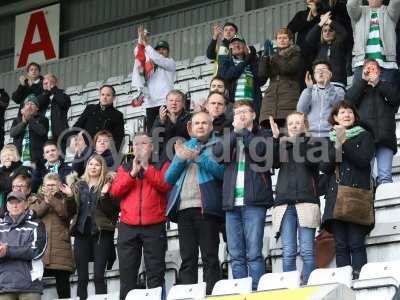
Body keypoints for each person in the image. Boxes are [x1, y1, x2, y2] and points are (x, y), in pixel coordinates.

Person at [213, 101, 274, 290]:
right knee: (235, 254)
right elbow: (217, 154)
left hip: (254, 201)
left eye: (244, 112)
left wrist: (245, 133)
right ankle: (240, 290)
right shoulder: (229, 135)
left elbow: (261, 153)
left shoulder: (263, 134)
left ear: (253, 115)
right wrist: (234, 134)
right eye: (237, 112)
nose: (240, 115)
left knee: (254, 252)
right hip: (232, 203)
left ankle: (257, 290)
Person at [165, 111, 224, 294]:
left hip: (206, 208)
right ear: (190, 128)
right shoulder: (184, 146)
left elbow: (222, 173)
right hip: (183, 210)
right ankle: (187, 295)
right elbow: (168, 178)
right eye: (197, 123)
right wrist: (181, 160)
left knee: (210, 257)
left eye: (204, 123)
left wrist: (198, 158)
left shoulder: (218, 145)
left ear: (211, 126)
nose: (200, 126)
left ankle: (211, 294)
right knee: (187, 258)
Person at [110, 133, 171, 300]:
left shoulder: (161, 165)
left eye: (144, 144)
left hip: (154, 225)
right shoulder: (124, 167)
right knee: (127, 275)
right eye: (136, 144)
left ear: (151, 147)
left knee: (155, 273)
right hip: (128, 227)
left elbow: (165, 185)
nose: (139, 147)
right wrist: (132, 174)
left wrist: (147, 169)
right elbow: (115, 192)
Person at [320, 101, 375, 279]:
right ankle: (344, 283)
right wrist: (337, 143)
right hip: (336, 197)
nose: (346, 115)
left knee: (356, 243)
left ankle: (361, 281)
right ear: (335, 118)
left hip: (356, 196)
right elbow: (326, 167)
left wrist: (344, 141)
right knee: (341, 245)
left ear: (354, 116)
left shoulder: (365, 135)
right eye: (342, 112)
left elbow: (363, 161)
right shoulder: (328, 139)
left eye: (349, 111)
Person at [270, 113, 320, 284]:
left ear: (304, 125)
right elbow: (271, 162)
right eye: (291, 123)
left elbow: (312, 162)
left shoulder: (312, 143)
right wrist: (276, 139)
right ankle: (289, 289)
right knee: (288, 251)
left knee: (307, 251)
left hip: (306, 202)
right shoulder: (282, 145)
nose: (294, 125)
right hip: (284, 204)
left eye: (298, 123)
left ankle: (309, 286)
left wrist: (300, 140)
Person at [61, 154, 119, 300]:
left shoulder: (108, 183)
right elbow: (71, 212)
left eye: (97, 165)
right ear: (87, 166)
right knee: (82, 278)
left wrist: (105, 194)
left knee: (99, 276)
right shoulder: (78, 185)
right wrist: (68, 197)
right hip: (82, 233)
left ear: (102, 167)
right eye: (91, 164)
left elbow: (112, 212)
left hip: (101, 233)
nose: (93, 167)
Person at [346, 59, 400, 185]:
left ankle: (386, 204)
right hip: (365, 139)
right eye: (367, 68)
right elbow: (348, 103)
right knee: (365, 177)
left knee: (385, 176)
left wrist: (378, 83)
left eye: (373, 68)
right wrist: (363, 82)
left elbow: (395, 99)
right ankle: (368, 204)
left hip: (385, 138)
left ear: (379, 71)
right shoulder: (359, 88)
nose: (370, 71)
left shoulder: (387, 86)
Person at [28, 173, 74, 299]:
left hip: (61, 252)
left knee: (63, 290)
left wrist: (51, 200)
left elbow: (66, 214)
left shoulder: (67, 199)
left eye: (53, 185)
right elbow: (33, 214)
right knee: (35, 290)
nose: (50, 188)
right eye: (47, 185)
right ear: (43, 186)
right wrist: (46, 202)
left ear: (59, 186)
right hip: (41, 252)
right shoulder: (35, 199)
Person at [0, 191, 47, 300]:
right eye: (11, 203)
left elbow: (37, 251)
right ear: (7, 206)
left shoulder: (37, 224)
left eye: (18, 202)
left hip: (30, 286)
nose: (15, 205)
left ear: (26, 204)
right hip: (4, 286)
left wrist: (8, 251)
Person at [132, 25, 176, 132]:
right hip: (150, 104)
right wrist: (141, 40)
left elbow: (157, 58)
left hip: (164, 103)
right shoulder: (149, 66)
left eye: (164, 49)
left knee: (166, 131)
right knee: (152, 134)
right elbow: (139, 55)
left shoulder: (170, 63)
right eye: (159, 49)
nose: (161, 51)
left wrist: (145, 43)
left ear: (168, 52)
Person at [347, 0, 400, 84]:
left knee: (387, 96)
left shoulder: (389, 12)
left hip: (386, 64)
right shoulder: (359, 12)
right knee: (359, 95)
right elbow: (350, 4)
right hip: (362, 64)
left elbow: (396, 2)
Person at [258, 28, 302, 128]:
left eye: (285, 38)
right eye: (279, 38)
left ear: (291, 40)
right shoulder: (272, 54)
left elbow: (289, 68)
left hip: (289, 94)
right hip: (271, 96)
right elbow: (262, 74)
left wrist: (274, 56)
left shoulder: (296, 53)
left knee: (288, 128)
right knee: (268, 128)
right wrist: (265, 57)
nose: (282, 40)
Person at [218, 34, 263, 116]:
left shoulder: (253, 62)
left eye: (239, 43)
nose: (236, 45)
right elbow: (228, 76)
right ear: (229, 48)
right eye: (233, 44)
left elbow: (261, 81)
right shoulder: (226, 62)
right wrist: (246, 61)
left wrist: (252, 58)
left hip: (252, 106)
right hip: (234, 108)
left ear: (245, 46)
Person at [297, 60, 344, 138]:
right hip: (310, 135)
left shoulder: (338, 90)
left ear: (330, 74)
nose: (321, 72)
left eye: (324, 70)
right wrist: (309, 89)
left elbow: (339, 108)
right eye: (318, 71)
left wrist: (328, 87)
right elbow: (301, 111)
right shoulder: (307, 91)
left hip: (331, 135)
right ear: (314, 75)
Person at [73, 85, 125, 151]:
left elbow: (119, 138)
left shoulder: (118, 115)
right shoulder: (90, 109)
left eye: (108, 95)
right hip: (86, 151)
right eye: (102, 94)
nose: (104, 97)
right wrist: (74, 140)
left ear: (114, 98)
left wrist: (113, 154)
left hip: (105, 152)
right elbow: (77, 127)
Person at [305, 12, 348, 87]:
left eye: (330, 30)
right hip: (320, 84)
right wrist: (321, 23)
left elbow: (344, 33)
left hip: (337, 83)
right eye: (325, 31)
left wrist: (329, 21)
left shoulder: (340, 44)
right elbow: (309, 39)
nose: (327, 33)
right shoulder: (319, 46)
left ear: (335, 33)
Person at [9, 94, 49, 167]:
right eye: (27, 104)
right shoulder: (17, 120)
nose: (29, 106)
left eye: (32, 104)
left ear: (37, 108)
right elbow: (12, 133)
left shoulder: (43, 119)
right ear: (24, 107)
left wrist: (30, 119)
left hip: (36, 160)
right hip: (19, 159)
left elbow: (42, 132)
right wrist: (24, 122)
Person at [151, 90, 191, 161]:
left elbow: (186, 136)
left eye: (177, 101)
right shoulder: (160, 117)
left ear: (183, 104)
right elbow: (154, 137)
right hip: (163, 159)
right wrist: (161, 122)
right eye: (171, 100)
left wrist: (174, 123)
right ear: (166, 103)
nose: (174, 103)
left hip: (183, 157)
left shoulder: (189, 117)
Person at [36, 74, 71, 142]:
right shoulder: (40, 97)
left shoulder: (63, 95)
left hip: (60, 136)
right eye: (45, 83)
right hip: (43, 137)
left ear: (55, 83)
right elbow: (37, 105)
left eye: (50, 82)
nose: (47, 85)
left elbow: (63, 103)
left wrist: (53, 89)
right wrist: (46, 93)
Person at [0, 145, 26, 216]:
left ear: (16, 156)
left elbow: (9, 187)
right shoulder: (1, 171)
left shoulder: (22, 169)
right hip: (3, 206)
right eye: (4, 156)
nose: (7, 158)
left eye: (10, 155)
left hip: (17, 205)